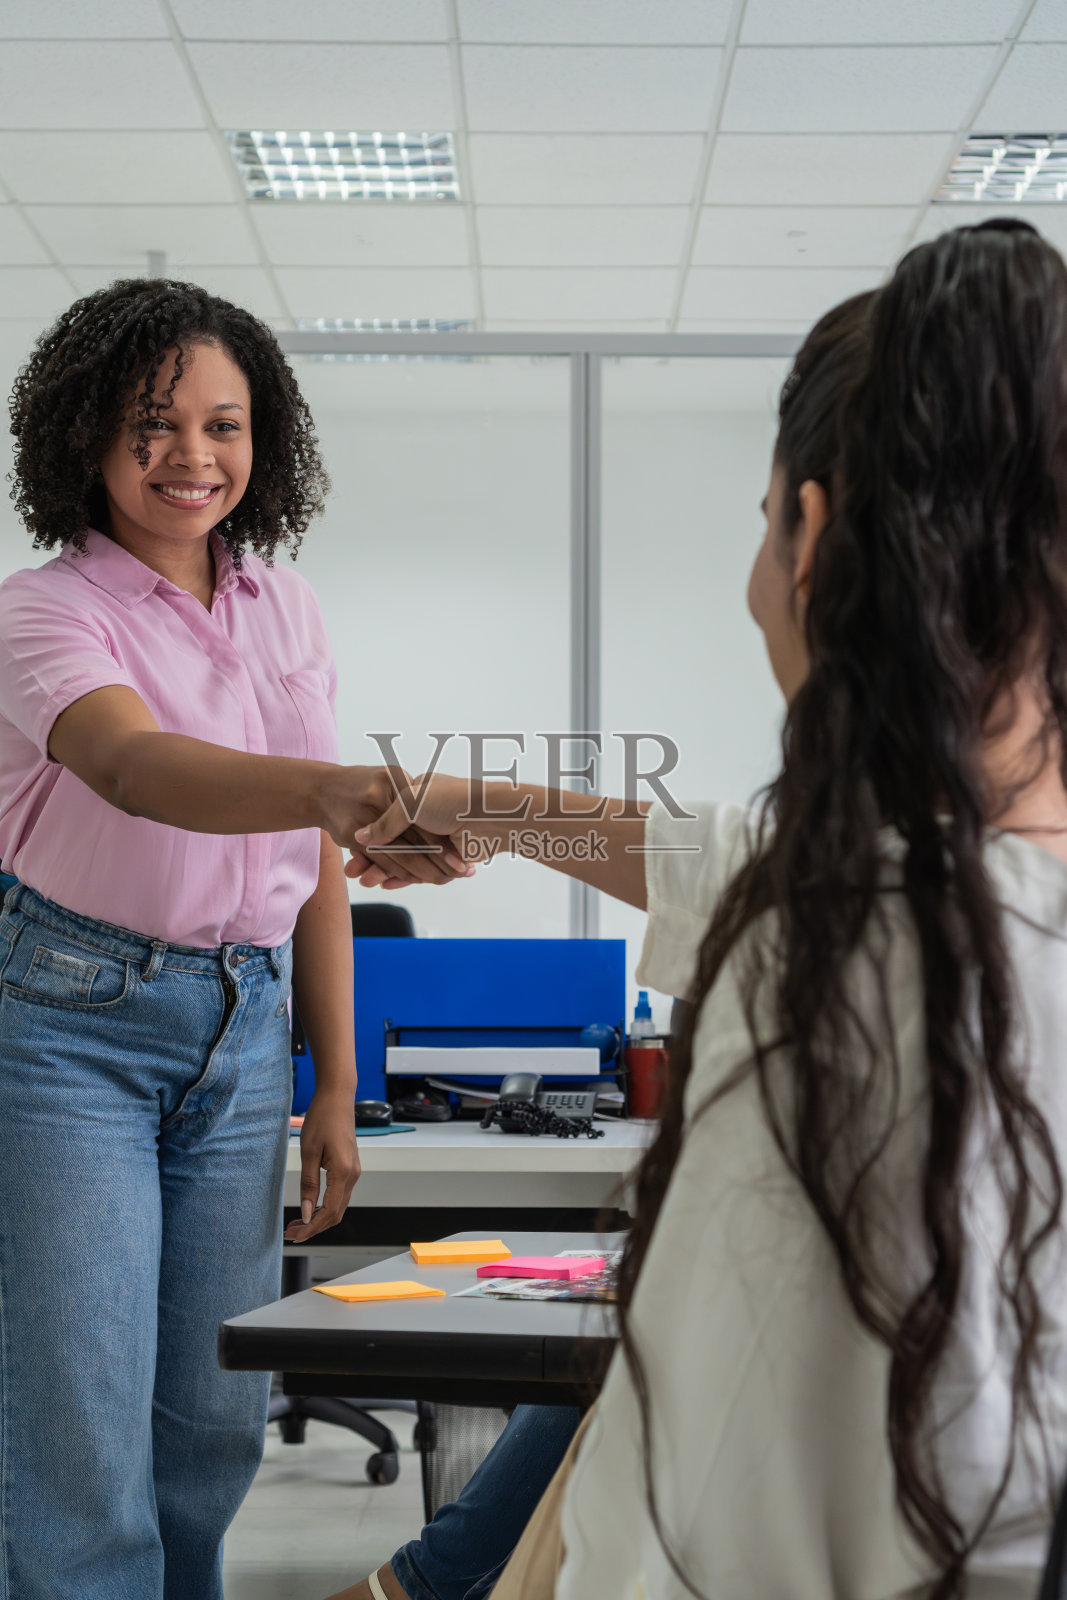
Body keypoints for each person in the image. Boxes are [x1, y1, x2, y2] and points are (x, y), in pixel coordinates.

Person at [358, 220, 1067, 1598]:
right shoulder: (954, 902)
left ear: (809, 536)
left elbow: (682, 1536)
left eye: (761, 523)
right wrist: (488, 806)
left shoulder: (850, 957)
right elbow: (721, 852)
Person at [0, 278, 468, 1600]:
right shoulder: (42, 611)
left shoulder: (284, 608)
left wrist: (335, 1083)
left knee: (209, 1431)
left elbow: (311, 859)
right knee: (80, 1434)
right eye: (156, 425)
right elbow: (139, 768)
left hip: (245, 1028)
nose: (195, 457)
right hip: (68, 1027)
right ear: (87, 437)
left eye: (226, 425)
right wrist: (342, 790)